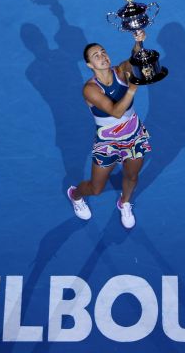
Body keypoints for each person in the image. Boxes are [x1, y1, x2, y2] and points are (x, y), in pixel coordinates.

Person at [67, 30, 150, 229]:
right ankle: (75, 195)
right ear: (89, 65)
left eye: (103, 52)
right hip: (107, 143)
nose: (102, 57)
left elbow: (135, 59)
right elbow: (115, 111)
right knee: (95, 189)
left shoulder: (121, 71)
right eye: (96, 56)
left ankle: (125, 202)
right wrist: (132, 89)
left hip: (134, 135)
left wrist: (138, 42)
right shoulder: (90, 89)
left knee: (131, 176)